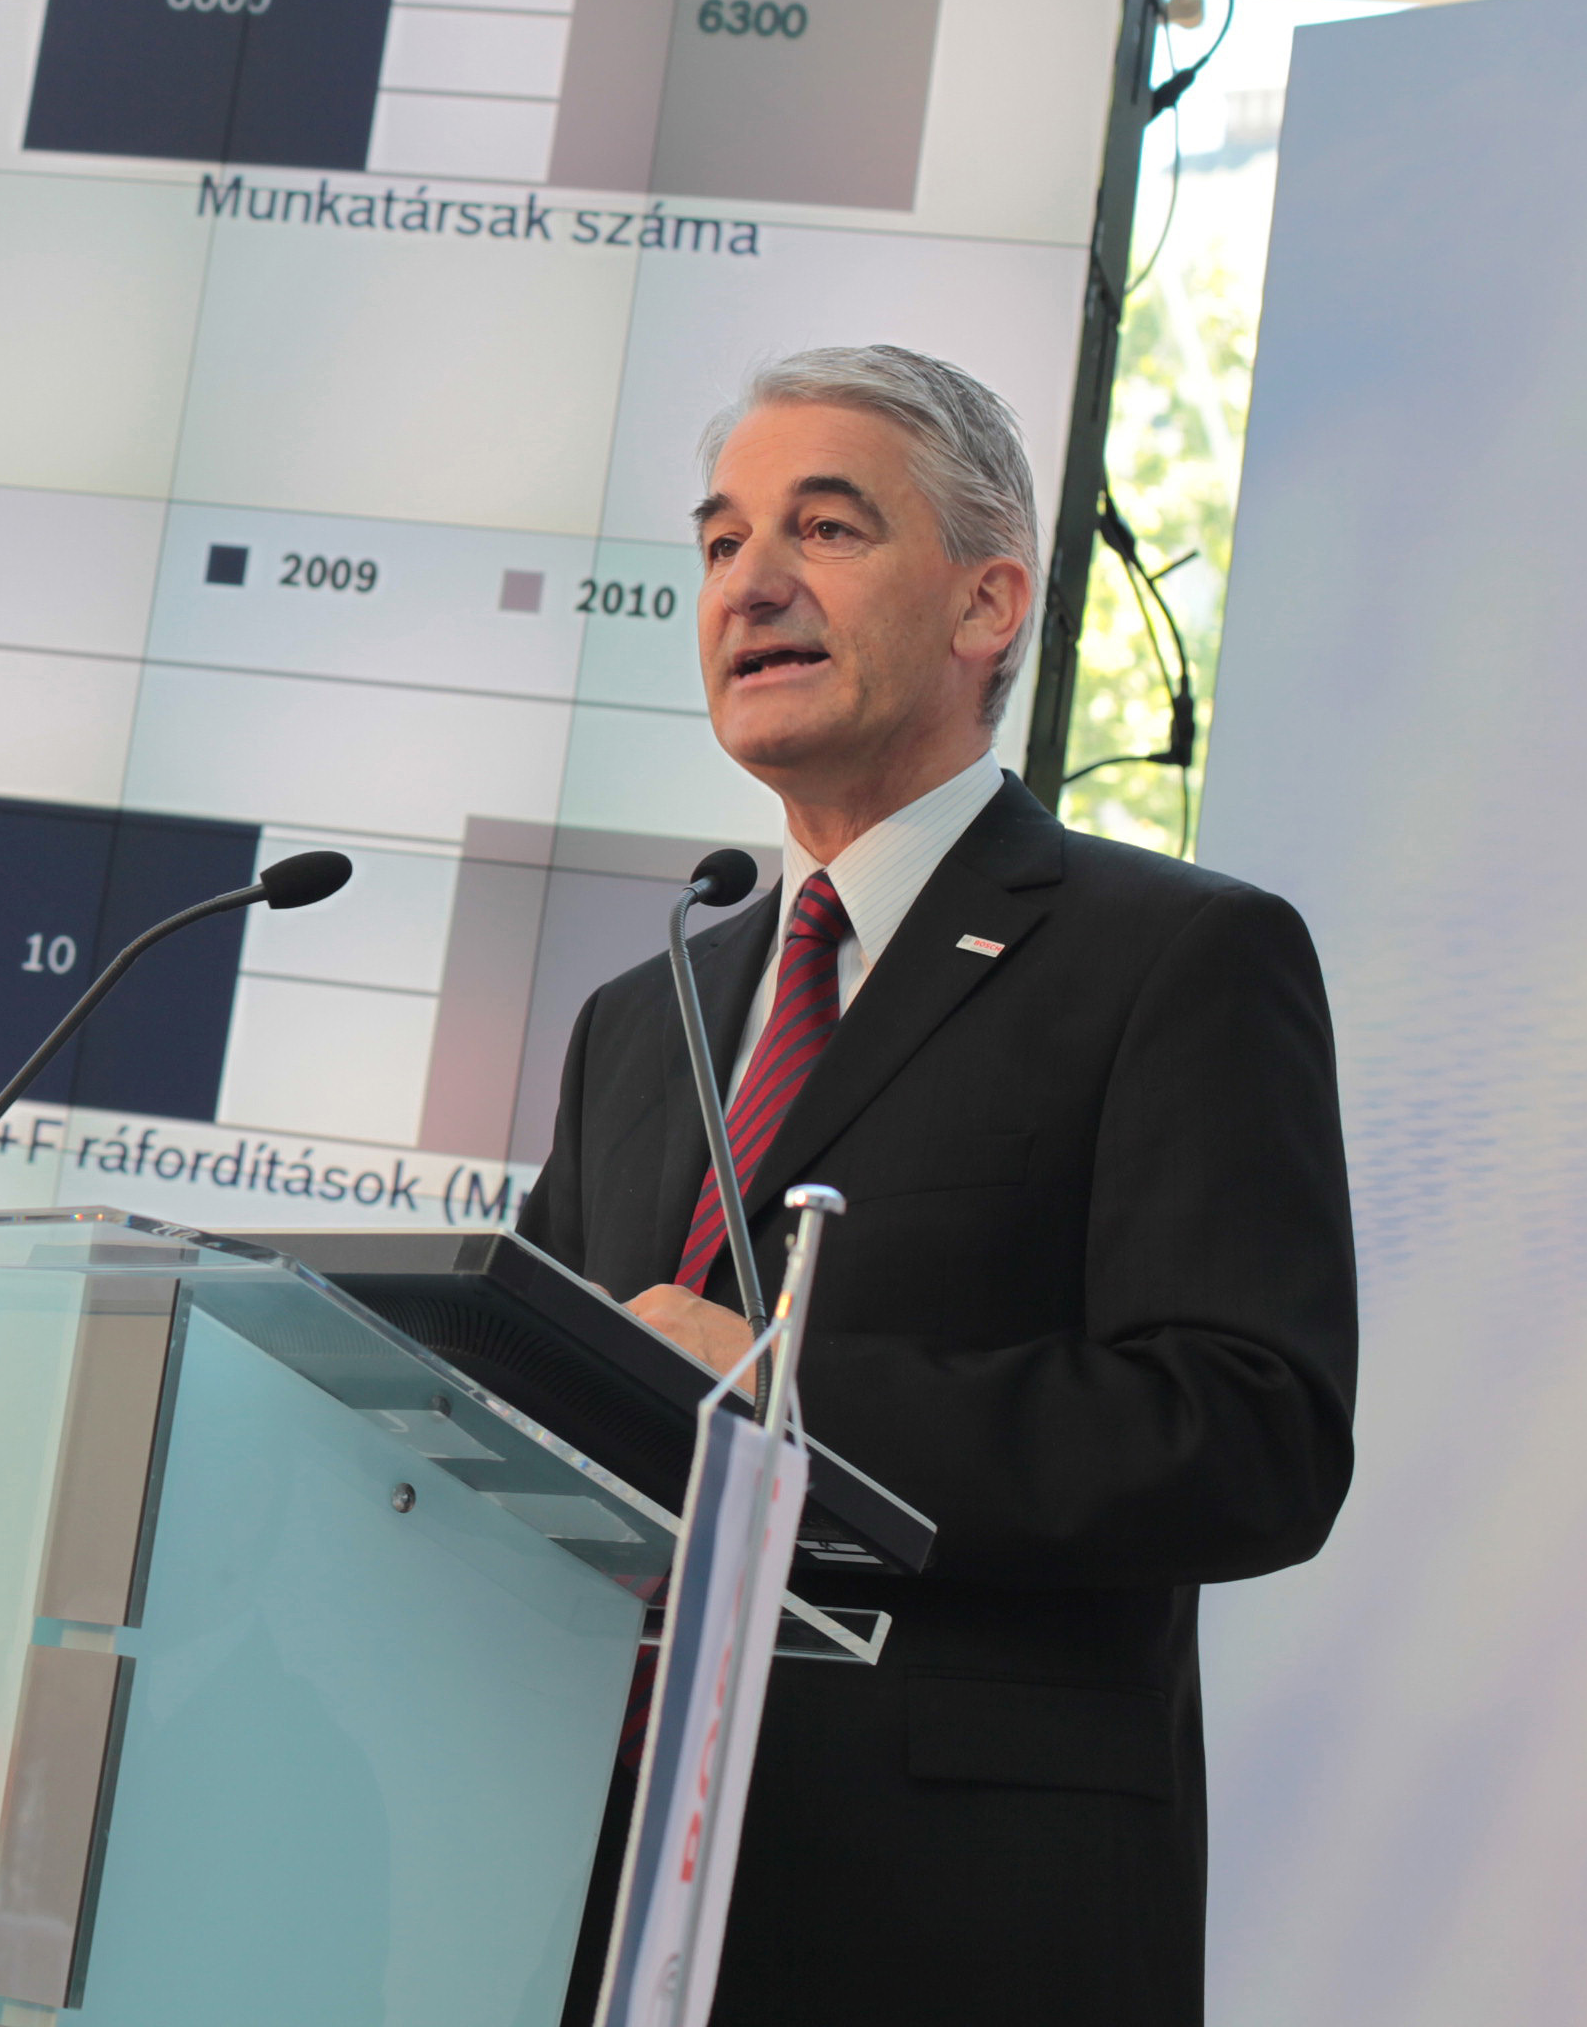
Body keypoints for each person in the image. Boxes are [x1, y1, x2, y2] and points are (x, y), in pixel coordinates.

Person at [515, 345, 1356, 2027]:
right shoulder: (645, 1014)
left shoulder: (1177, 958)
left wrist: (784, 1409)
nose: (751, 583)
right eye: (721, 541)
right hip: (574, 1900)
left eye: (825, 529)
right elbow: (535, 1410)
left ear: (989, 603)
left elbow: (1250, 1433)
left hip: (952, 1924)